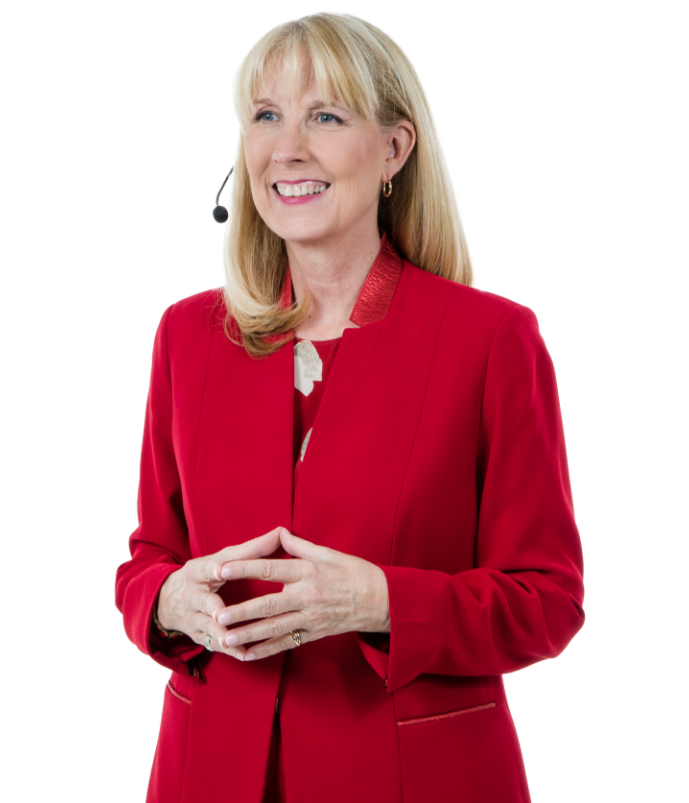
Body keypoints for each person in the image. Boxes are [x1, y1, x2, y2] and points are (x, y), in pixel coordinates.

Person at [114, 10, 586, 803]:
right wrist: (164, 602)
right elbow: (148, 555)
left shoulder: (488, 340)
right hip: (209, 772)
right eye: (266, 116)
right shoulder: (188, 336)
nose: (287, 148)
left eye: (325, 117)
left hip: (412, 780)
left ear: (394, 148)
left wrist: (382, 602)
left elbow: (546, 599)